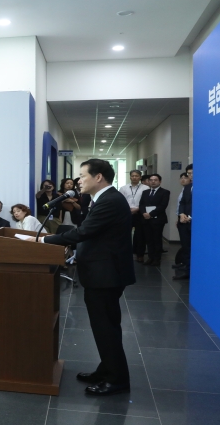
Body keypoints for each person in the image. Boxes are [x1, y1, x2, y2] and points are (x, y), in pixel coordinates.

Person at [37, 159, 135, 396]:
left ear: (98, 177)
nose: (79, 181)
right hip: (102, 271)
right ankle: (107, 369)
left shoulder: (109, 200)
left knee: (106, 327)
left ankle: (117, 379)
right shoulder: (101, 199)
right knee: (104, 326)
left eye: (82, 176)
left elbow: (84, 232)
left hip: (106, 274)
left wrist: (41, 240)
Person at [138, 174, 170, 266]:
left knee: (157, 239)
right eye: (151, 180)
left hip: (158, 220)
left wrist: (151, 214)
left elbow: (163, 206)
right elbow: (141, 204)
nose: (153, 181)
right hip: (146, 219)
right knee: (149, 239)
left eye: (155, 180)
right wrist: (144, 213)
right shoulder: (145, 192)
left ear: (159, 181)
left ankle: (157, 259)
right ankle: (150, 257)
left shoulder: (165, 192)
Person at [119, 170, 150, 263]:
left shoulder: (146, 188)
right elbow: (120, 201)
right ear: (130, 177)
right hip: (127, 213)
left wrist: (137, 209)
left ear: (140, 177)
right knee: (125, 234)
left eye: (137, 176)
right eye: (132, 176)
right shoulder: (124, 188)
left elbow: (146, 202)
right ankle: (125, 254)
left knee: (140, 236)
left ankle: (140, 255)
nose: (134, 177)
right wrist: (128, 210)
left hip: (140, 213)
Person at [174, 164, 193, 280]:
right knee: (186, 248)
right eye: (188, 174)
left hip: (194, 223)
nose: (190, 176)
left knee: (193, 249)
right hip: (184, 222)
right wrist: (181, 214)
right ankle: (187, 270)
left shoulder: (204, 186)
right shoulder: (187, 187)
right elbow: (182, 203)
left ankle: (193, 272)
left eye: (192, 173)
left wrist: (190, 217)